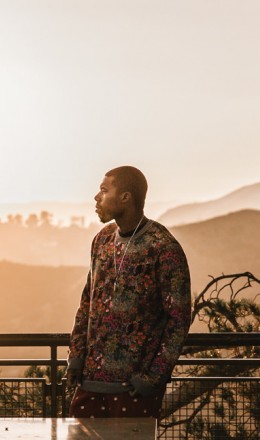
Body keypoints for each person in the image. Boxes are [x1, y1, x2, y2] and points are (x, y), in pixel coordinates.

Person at [65, 165, 192, 418]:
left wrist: (153, 378)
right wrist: (76, 356)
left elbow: (179, 319)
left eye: (104, 190)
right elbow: (87, 301)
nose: (96, 197)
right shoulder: (102, 240)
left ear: (125, 197)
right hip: (89, 382)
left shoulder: (163, 247)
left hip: (134, 390)